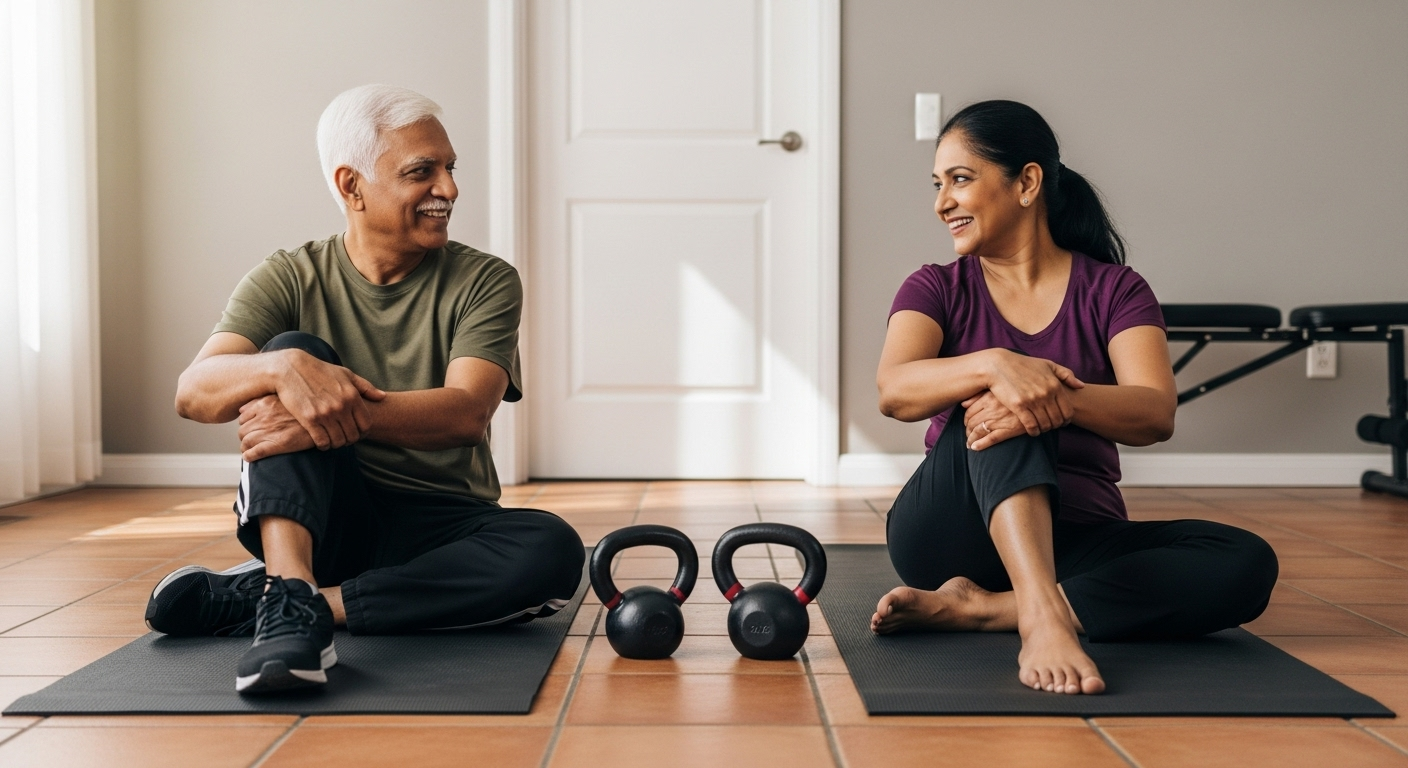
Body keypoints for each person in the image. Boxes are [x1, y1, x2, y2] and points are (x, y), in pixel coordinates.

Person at [146, 84, 584, 694]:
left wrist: (320, 415)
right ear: (352, 186)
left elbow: (465, 413)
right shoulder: (290, 275)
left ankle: (289, 600)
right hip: (328, 516)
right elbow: (194, 391)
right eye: (421, 172)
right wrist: (281, 374)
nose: (449, 189)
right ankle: (293, 589)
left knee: (553, 552)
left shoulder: (485, 279)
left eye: (450, 169)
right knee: (289, 353)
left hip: (443, 524)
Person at [870, 100, 1278, 695]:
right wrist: (997, 365)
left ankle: (986, 609)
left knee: (1245, 561)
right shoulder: (935, 286)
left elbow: (1153, 411)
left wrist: (1056, 397)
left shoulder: (1115, 290)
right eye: (938, 185)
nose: (942, 203)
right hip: (952, 533)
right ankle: (1041, 616)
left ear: (1027, 182)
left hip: (1080, 541)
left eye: (960, 180)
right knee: (999, 405)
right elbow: (894, 389)